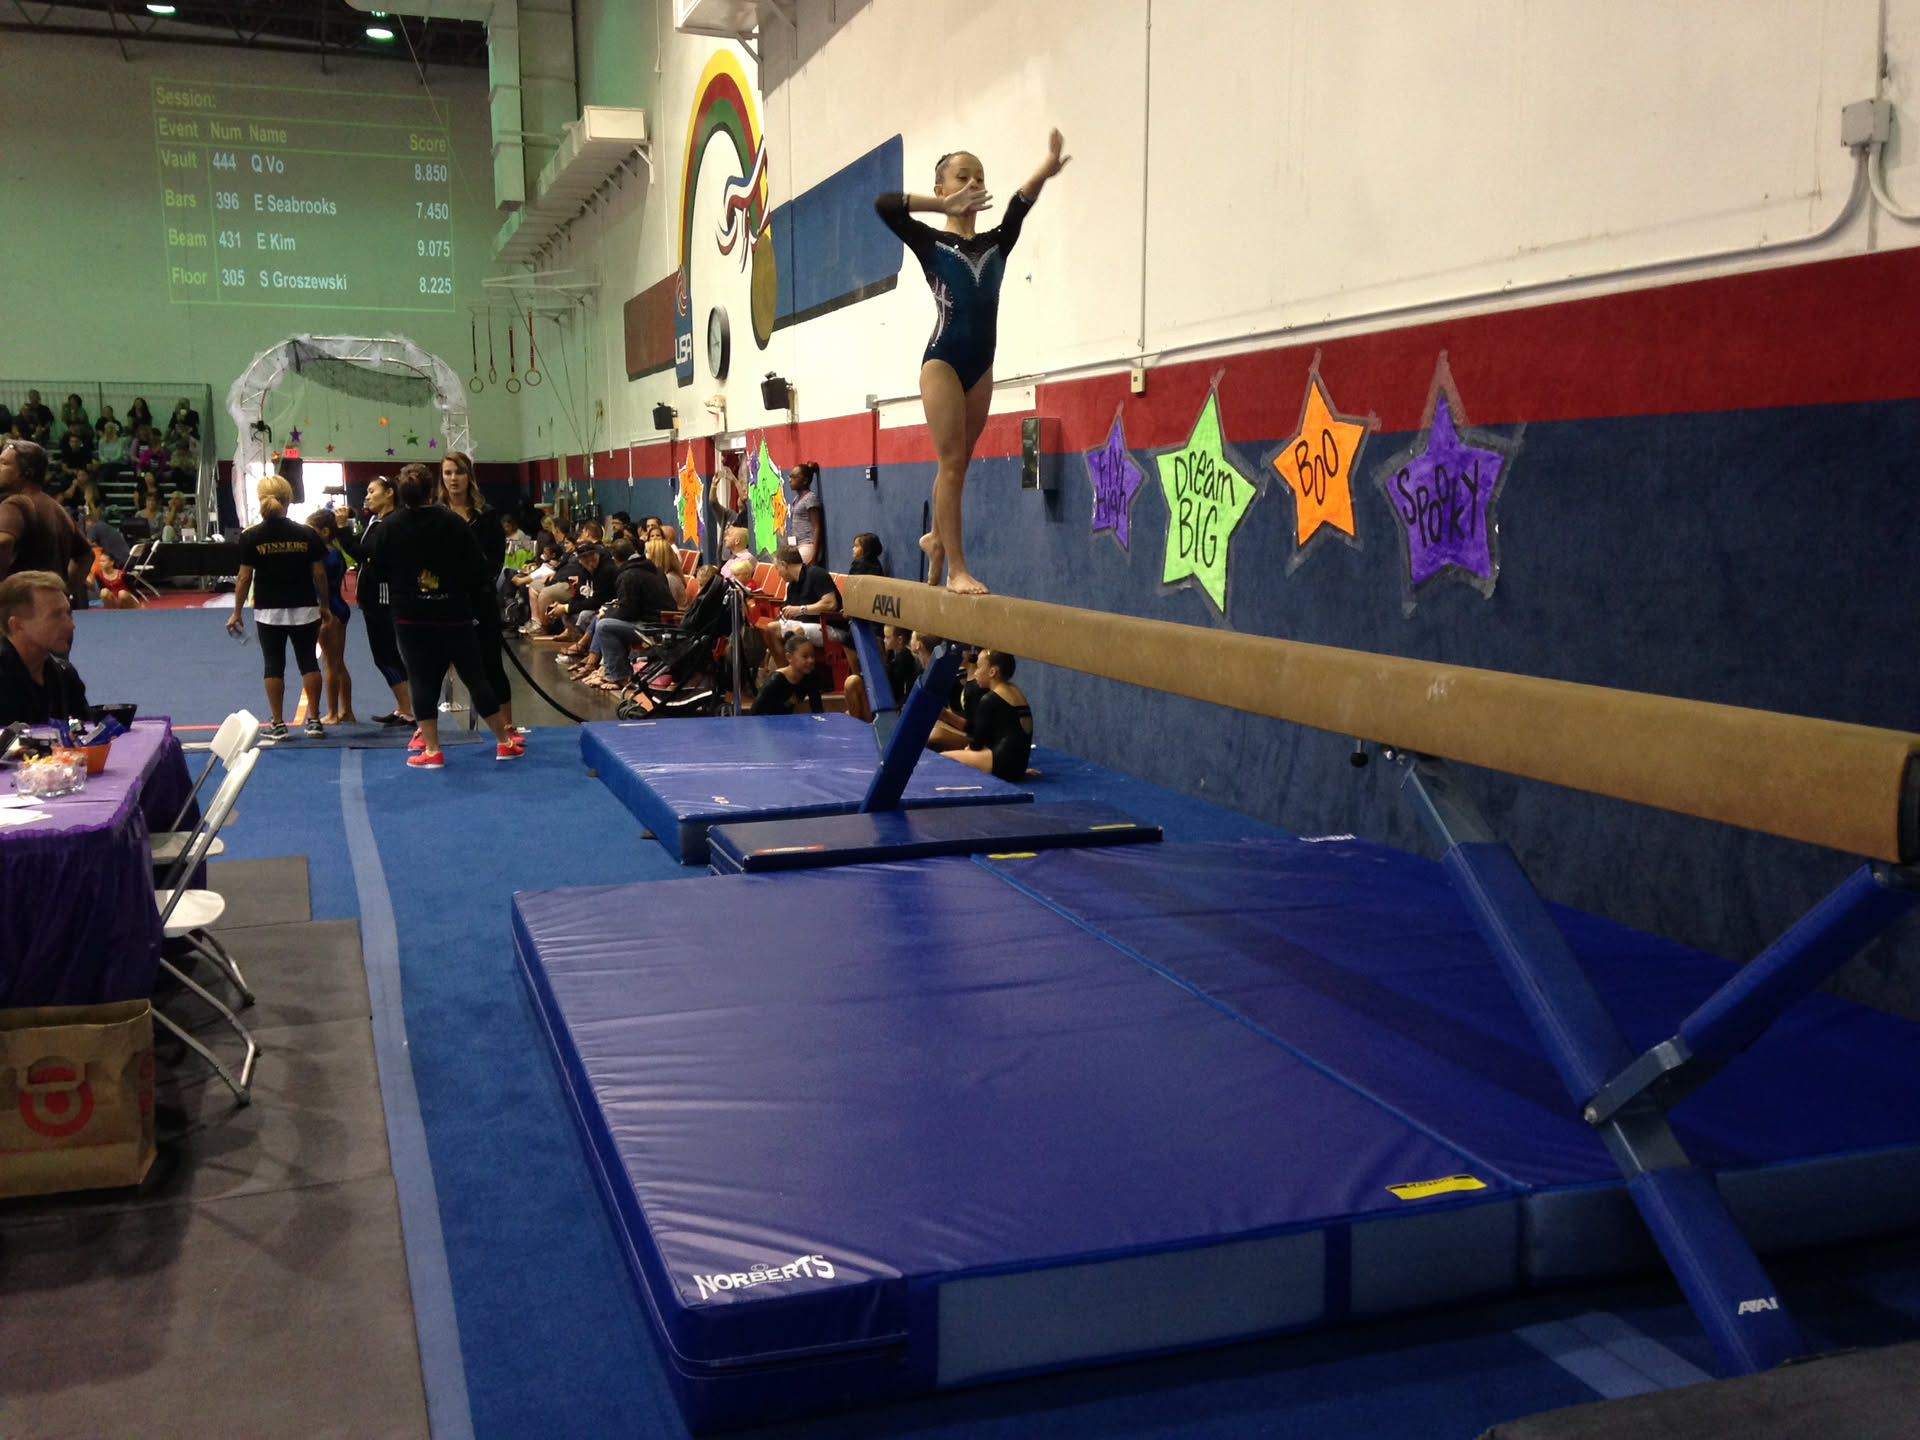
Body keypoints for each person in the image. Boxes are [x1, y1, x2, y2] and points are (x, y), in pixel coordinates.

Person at [874, 130, 1069, 594]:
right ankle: (957, 569)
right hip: (942, 362)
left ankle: (935, 538)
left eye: (979, 177)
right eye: (963, 177)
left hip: (981, 366)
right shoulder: (929, 241)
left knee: (958, 464)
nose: (974, 183)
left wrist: (1045, 168)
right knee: (952, 462)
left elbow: (1019, 205)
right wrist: (940, 207)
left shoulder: (996, 244)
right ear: (942, 187)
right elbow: (885, 204)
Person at [365, 464, 523, 768]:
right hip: (453, 612)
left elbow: (377, 571)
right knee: (475, 676)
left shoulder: (390, 526)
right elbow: (477, 567)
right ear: (431, 490)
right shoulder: (452, 522)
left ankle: (433, 749)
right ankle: (504, 742)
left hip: (410, 615)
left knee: (421, 679)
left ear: (401, 493)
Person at [228, 474, 328, 741]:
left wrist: (237, 612)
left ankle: (278, 724)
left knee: (273, 665)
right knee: (309, 662)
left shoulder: (251, 536)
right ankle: (315, 720)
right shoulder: (307, 533)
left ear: (261, 499)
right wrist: (325, 605)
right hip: (305, 607)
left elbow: (244, 577)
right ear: (289, 501)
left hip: (268, 610)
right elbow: (320, 573)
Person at [438, 450, 519, 740]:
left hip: (480, 598)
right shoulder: (434, 513)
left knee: (491, 665)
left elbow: (495, 559)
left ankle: (507, 726)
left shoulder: (487, 514)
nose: (453, 479)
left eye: (459, 472)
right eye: (448, 473)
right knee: (435, 667)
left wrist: (472, 577)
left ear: (469, 476)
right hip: (443, 601)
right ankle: (426, 730)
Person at [353, 476, 414, 727]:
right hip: (370, 596)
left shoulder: (392, 523)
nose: (367, 496)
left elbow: (367, 555)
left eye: (372, 491)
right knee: (384, 654)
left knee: (386, 654)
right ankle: (403, 708)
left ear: (389, 493)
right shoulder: (375, 521)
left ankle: (408, 711)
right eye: (366, 491)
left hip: (383, 596)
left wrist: (340, 533)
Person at [0, 439, 94, 601]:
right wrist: (64, 590)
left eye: (4, 463)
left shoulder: (16, 504)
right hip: (54, 607)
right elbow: (86, 557)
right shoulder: (58, 509)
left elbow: (2, 542)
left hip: (23, 607)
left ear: (26, 472)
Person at [0, 571, 88, 723]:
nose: (71, 625)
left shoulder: (64, 675)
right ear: (17, 625)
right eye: (56, 615)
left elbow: (86, 729)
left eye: (68, 613)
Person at [948, 649, 1034, 781]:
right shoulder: (1014, 690)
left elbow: (976, 744)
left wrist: (968, 751)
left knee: (944, 757)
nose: (975, 672)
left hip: (1001, 765)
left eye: (978, 667)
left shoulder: (989, 699)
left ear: (992, 672)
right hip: (1019, 765)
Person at [307, 508, 356, 725]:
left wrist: (323, 610)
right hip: (338, 607)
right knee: (338, 663)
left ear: (325, 532)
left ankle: (332, 713)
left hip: (330, 610)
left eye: (311, 531)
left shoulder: (326, 556)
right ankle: (347, 710)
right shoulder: (334, 552)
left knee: (330, 663)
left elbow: (322, 585)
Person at [749, 634, 821, 715]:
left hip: (787, 720)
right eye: (805, 656)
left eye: (812, 656)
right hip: (768, 720)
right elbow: (754, 713)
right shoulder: (775, 681)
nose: (811, 660)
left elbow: (817, 709)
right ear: (789, 657)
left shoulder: (810, 677)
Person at [785, 462, 824, 564]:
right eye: (790, 477)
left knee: (793, 568)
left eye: (794, 477)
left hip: (807, 545)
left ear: (805, 481)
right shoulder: (796, 499)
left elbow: (816, 527)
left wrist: (814, 555)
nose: (790, 480)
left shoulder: (810, 498)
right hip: (796, 545)